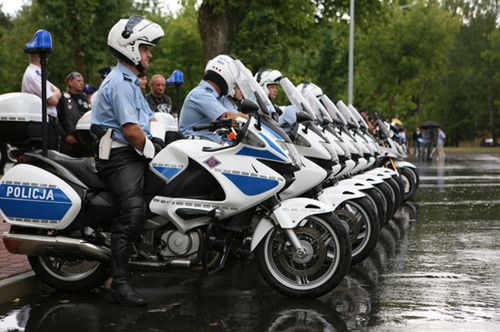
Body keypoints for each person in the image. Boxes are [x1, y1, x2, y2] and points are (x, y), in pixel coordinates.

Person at [91, 15, 165, 307]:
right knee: (132, 212)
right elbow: (132, 131)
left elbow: (146, 122)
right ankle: (119, 284)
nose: (149, 54)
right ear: (132, 48)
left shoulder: (131, 82)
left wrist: (157, 140)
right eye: (146, 48)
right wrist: (151, 148)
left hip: (131, 153)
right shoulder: (121, 82)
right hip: (120, 158)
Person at [178, 55, 244, 143]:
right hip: (193, 147)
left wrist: (257, 120)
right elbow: (228, 117)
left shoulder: (219, 98)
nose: (235, 85)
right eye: (235, 81)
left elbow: (237, 115)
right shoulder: (201, 94)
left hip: (208, 147)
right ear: (228, 76)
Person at [21, 51, 62, 150]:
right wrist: (56, 93)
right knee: (48, 157)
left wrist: (56, 93)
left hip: (47, 121)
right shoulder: (33, 75)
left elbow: (58, 91)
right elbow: (53, 100)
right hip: (43, 122)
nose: (47, 58)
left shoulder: (38, 73)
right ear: (41, 57)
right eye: (46, 55)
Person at [57, 72, 92, 157]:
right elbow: (56, 119)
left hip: (84, 141)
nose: (82, 83)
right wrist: (65, 136)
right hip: (69, 141)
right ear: (70, 82)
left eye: (83, 81)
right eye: (78, 81)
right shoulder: (63, 98)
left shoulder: (85, 98)